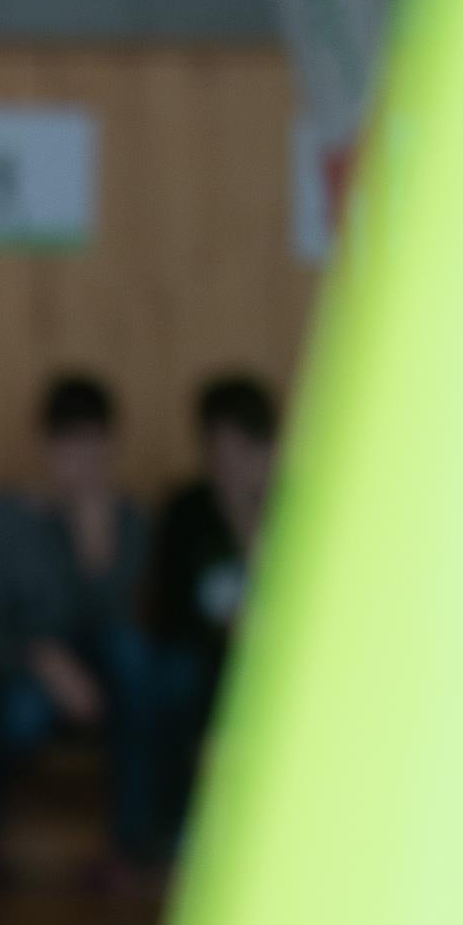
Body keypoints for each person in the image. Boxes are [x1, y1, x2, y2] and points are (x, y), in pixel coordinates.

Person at [0, 371, 160, 888]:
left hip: (99, 680)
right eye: (72, 451)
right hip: (22, 674)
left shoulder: (124, 520)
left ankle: (130, 845)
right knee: (18, 708)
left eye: (95, 453)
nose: (83, 468)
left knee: (133, 656)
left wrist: (96, 549)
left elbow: (111, 627)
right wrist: (46, 662)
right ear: (46, 447)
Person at [140, 371, 281, 866]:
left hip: (277, 662)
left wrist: (249, 526)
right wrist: (225, 632)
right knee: (173, 682)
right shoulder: (187, 511)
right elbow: (167, 610)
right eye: (217, 450)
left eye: (242, 449)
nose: (229, 465)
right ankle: (178, 826)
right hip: (203, 658)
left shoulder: (298, 505)